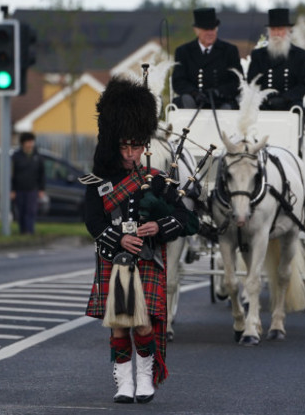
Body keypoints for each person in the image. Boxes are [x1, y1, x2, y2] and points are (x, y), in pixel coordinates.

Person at [81, 76, 199, 404]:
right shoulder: (98, 182)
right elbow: (92, 221)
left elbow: (189, 219)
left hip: (148, 259)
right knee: (119, 325)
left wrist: (158, 228)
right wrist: (119, 238)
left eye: (136, 146)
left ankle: (145, 377)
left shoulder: (157, 180)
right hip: (115, 260)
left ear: (145, 144)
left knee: (144, 324)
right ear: (114, 144)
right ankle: (123, 382)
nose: (131, 153)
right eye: (125, 146)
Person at [172, 8, 242, 109]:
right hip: (194, 101)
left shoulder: (229, 50)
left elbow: (236, 81)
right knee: (185, 101)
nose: (210, 33)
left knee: (228, 109)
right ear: (196, 31)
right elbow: (178, 81)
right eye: (206, 29)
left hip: (220, 101)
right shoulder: (183, 52)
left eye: (212, 29)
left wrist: (218, 92)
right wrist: (194, 93)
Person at [247, 8, 305, 112]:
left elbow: (304, 84)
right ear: (269, 32)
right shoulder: (258, 55)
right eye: (273, 29)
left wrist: (285, 98)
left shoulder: (300, 55)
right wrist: (264, 97)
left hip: (290, 102)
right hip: (264, 103)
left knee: (297, 110)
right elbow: (252, 82)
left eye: (280, 29)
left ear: (288, 31)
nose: (276, 33)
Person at [10, 132, 46, 235]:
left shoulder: (37, 156)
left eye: (32, 141)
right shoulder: (16, 156)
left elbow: (41, 174)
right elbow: (12, 174)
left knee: (31, 211)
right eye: (28, 142)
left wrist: (41, 189)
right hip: (19, 189)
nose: (30, 144)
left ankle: (30, 231)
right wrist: (12, 190)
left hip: (32, 189)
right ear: (23, 143)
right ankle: (22, 231)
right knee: (21, 211)